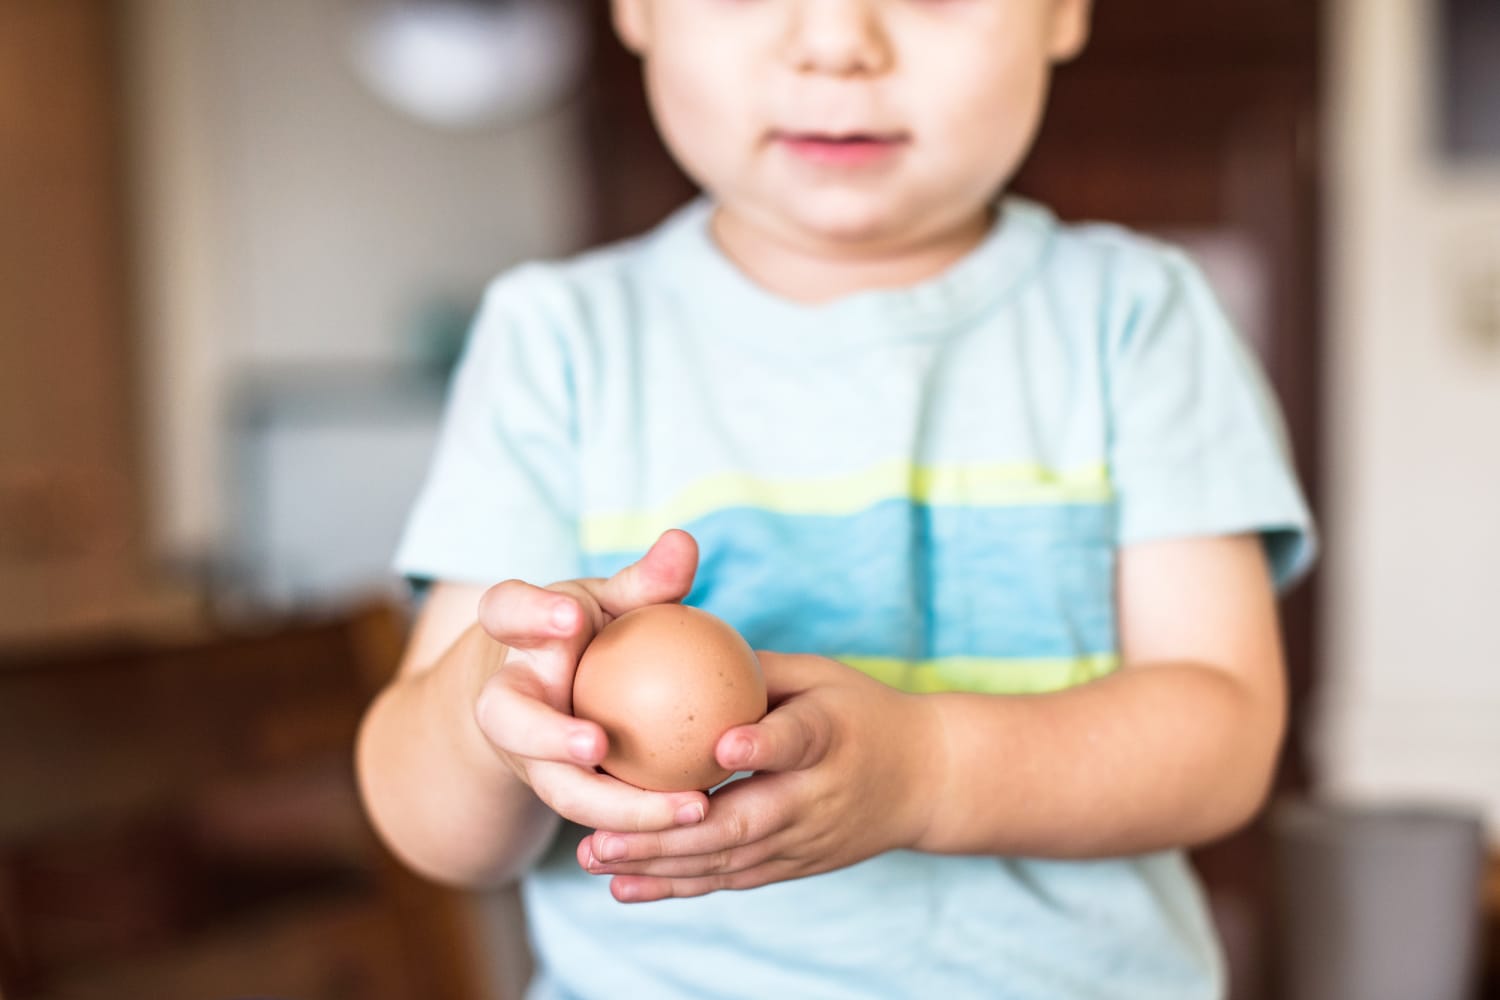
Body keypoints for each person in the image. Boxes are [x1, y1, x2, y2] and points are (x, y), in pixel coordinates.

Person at [355, 1, 1316, 997]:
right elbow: (429, 824)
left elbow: (1223, 735)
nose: (837, 42)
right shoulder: (555, 344)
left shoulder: (1137, 319)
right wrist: (490, 706)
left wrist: (931, 769)